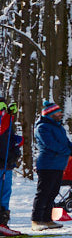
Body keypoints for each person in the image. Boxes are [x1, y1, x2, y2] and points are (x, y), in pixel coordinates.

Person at [31, 101, 72, 230]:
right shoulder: (42, 127)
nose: (60, 114)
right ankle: (36, 220)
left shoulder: (59, 127)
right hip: (47, 164)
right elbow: (50, 144)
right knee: (43, 192)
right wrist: (67, 151)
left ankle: (47, 219)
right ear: (50, 114)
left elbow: (65, 141)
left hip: (58, 165)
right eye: (57, 112)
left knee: (53, 193)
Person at [0, 97, 22, 227]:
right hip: (3, 162)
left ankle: (3, 221)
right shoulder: (4, 120)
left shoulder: (7, 121)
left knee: (5, 192)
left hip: (7, 163)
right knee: (3, 192)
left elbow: (9, 138)